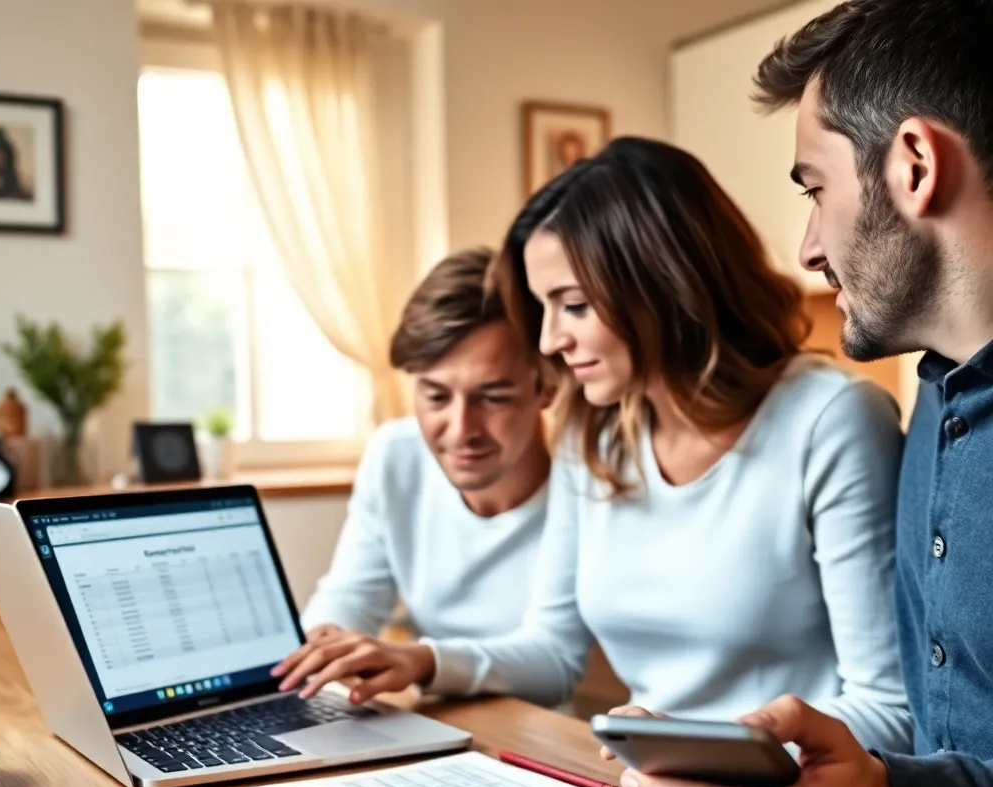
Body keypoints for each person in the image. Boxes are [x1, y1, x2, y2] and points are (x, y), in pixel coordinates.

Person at [289, 135, 912, 754]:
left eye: (575, 305)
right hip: (646, 785)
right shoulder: (600, 434)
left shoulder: (831, 421)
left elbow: (889, 707)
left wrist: (712, 749)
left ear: (665, 285)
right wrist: (423, 662)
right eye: (544, 309)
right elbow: (552, 650)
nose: (549, 342)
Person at [619, 0, 993, 787]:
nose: (809, 246)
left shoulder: (850, 413)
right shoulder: (937, 397)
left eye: (814, 188)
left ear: (914, 165)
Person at [272, 247, 552, 701]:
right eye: (436, 397)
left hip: (551, 733)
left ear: (548, 387)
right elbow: (352, 593)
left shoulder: (588, 482)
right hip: (441, 717)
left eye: (494, 397)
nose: (462, 431)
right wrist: (323, 643)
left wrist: (422, 659)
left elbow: (554, 660)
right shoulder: (395, 454)